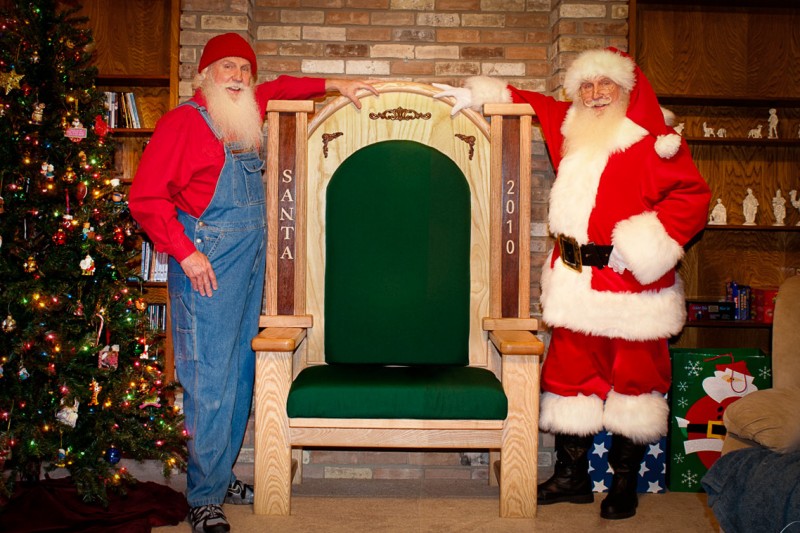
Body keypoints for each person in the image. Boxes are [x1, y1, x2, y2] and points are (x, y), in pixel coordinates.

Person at [434, 47, 710, 520]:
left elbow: (694, 197)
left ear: (627, 90)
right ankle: (572, 478)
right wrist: (477, 95)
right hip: (576, 283)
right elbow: (526, 98)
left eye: (606, 85)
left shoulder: (656, 139)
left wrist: (646, 242)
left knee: (635, 384)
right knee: (569, 380)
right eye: (586, 85)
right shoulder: (570, 123)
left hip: (632, 286)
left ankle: (624, 484)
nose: (596, 94)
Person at [128, 33, 377, 533]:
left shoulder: (246, 108)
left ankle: (219, 478)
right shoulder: (183, 123)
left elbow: (287, 84)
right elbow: (146, 198)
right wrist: (187, 254)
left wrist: (337, 84)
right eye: (227, 67)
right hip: (208, 270)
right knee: (209, 383)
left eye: (245, 68)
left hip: (247, 268)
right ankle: (203, 497)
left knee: (241, 376)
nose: (238, 77)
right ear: (205, 76)